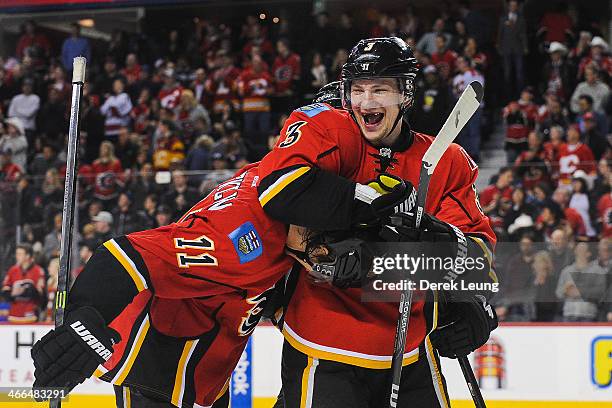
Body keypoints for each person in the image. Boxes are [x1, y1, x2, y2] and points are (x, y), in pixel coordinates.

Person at [258, 37, 497, 407]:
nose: (367, 102)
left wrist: (473, 303)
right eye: (358, 90)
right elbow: (276, 209)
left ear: (405, 94)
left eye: (381, 89)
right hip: (323, 345)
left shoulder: (446, 161)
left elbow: (478, 256)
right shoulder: (330, 143)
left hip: (413, 349)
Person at [31, 165, 321, 408]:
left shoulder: (273, 181)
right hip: (158, 367)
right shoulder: (242, 238)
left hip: (206, 373)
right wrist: (86, 319)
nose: (321, 249)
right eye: (320, 235)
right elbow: (126, 256)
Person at [1, 243, 45, 323]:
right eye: (17, 254)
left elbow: (40, 295)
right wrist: (13, 293)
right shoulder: (13, 270)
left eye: (20, 254)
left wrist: (27, 290)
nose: (17, 256)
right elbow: (5, 290)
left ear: (27, 256)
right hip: (14, 314)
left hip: (30, 315)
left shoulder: (38, 271)